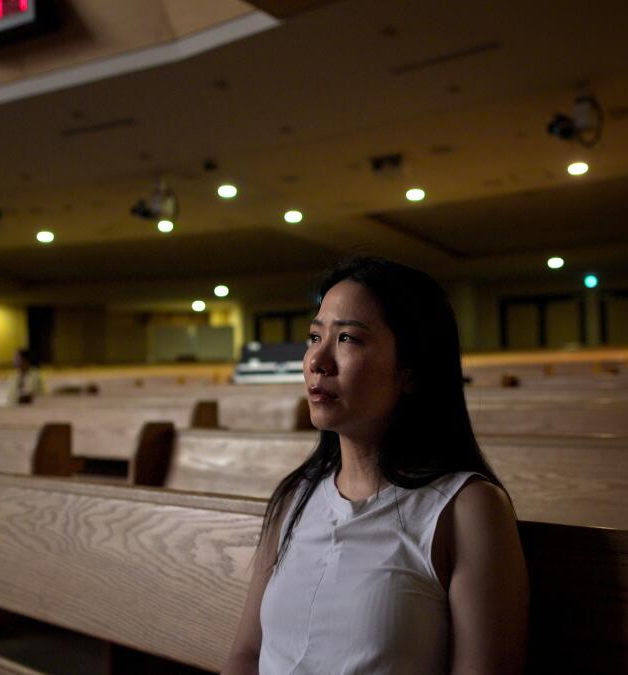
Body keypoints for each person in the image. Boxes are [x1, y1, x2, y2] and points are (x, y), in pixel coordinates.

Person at [222, 257, 528, 675]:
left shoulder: (467, 509)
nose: (317, 360)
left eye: (347, 338)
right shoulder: (295, 497)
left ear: (411, 371)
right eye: (315, 336)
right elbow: (245, 655)